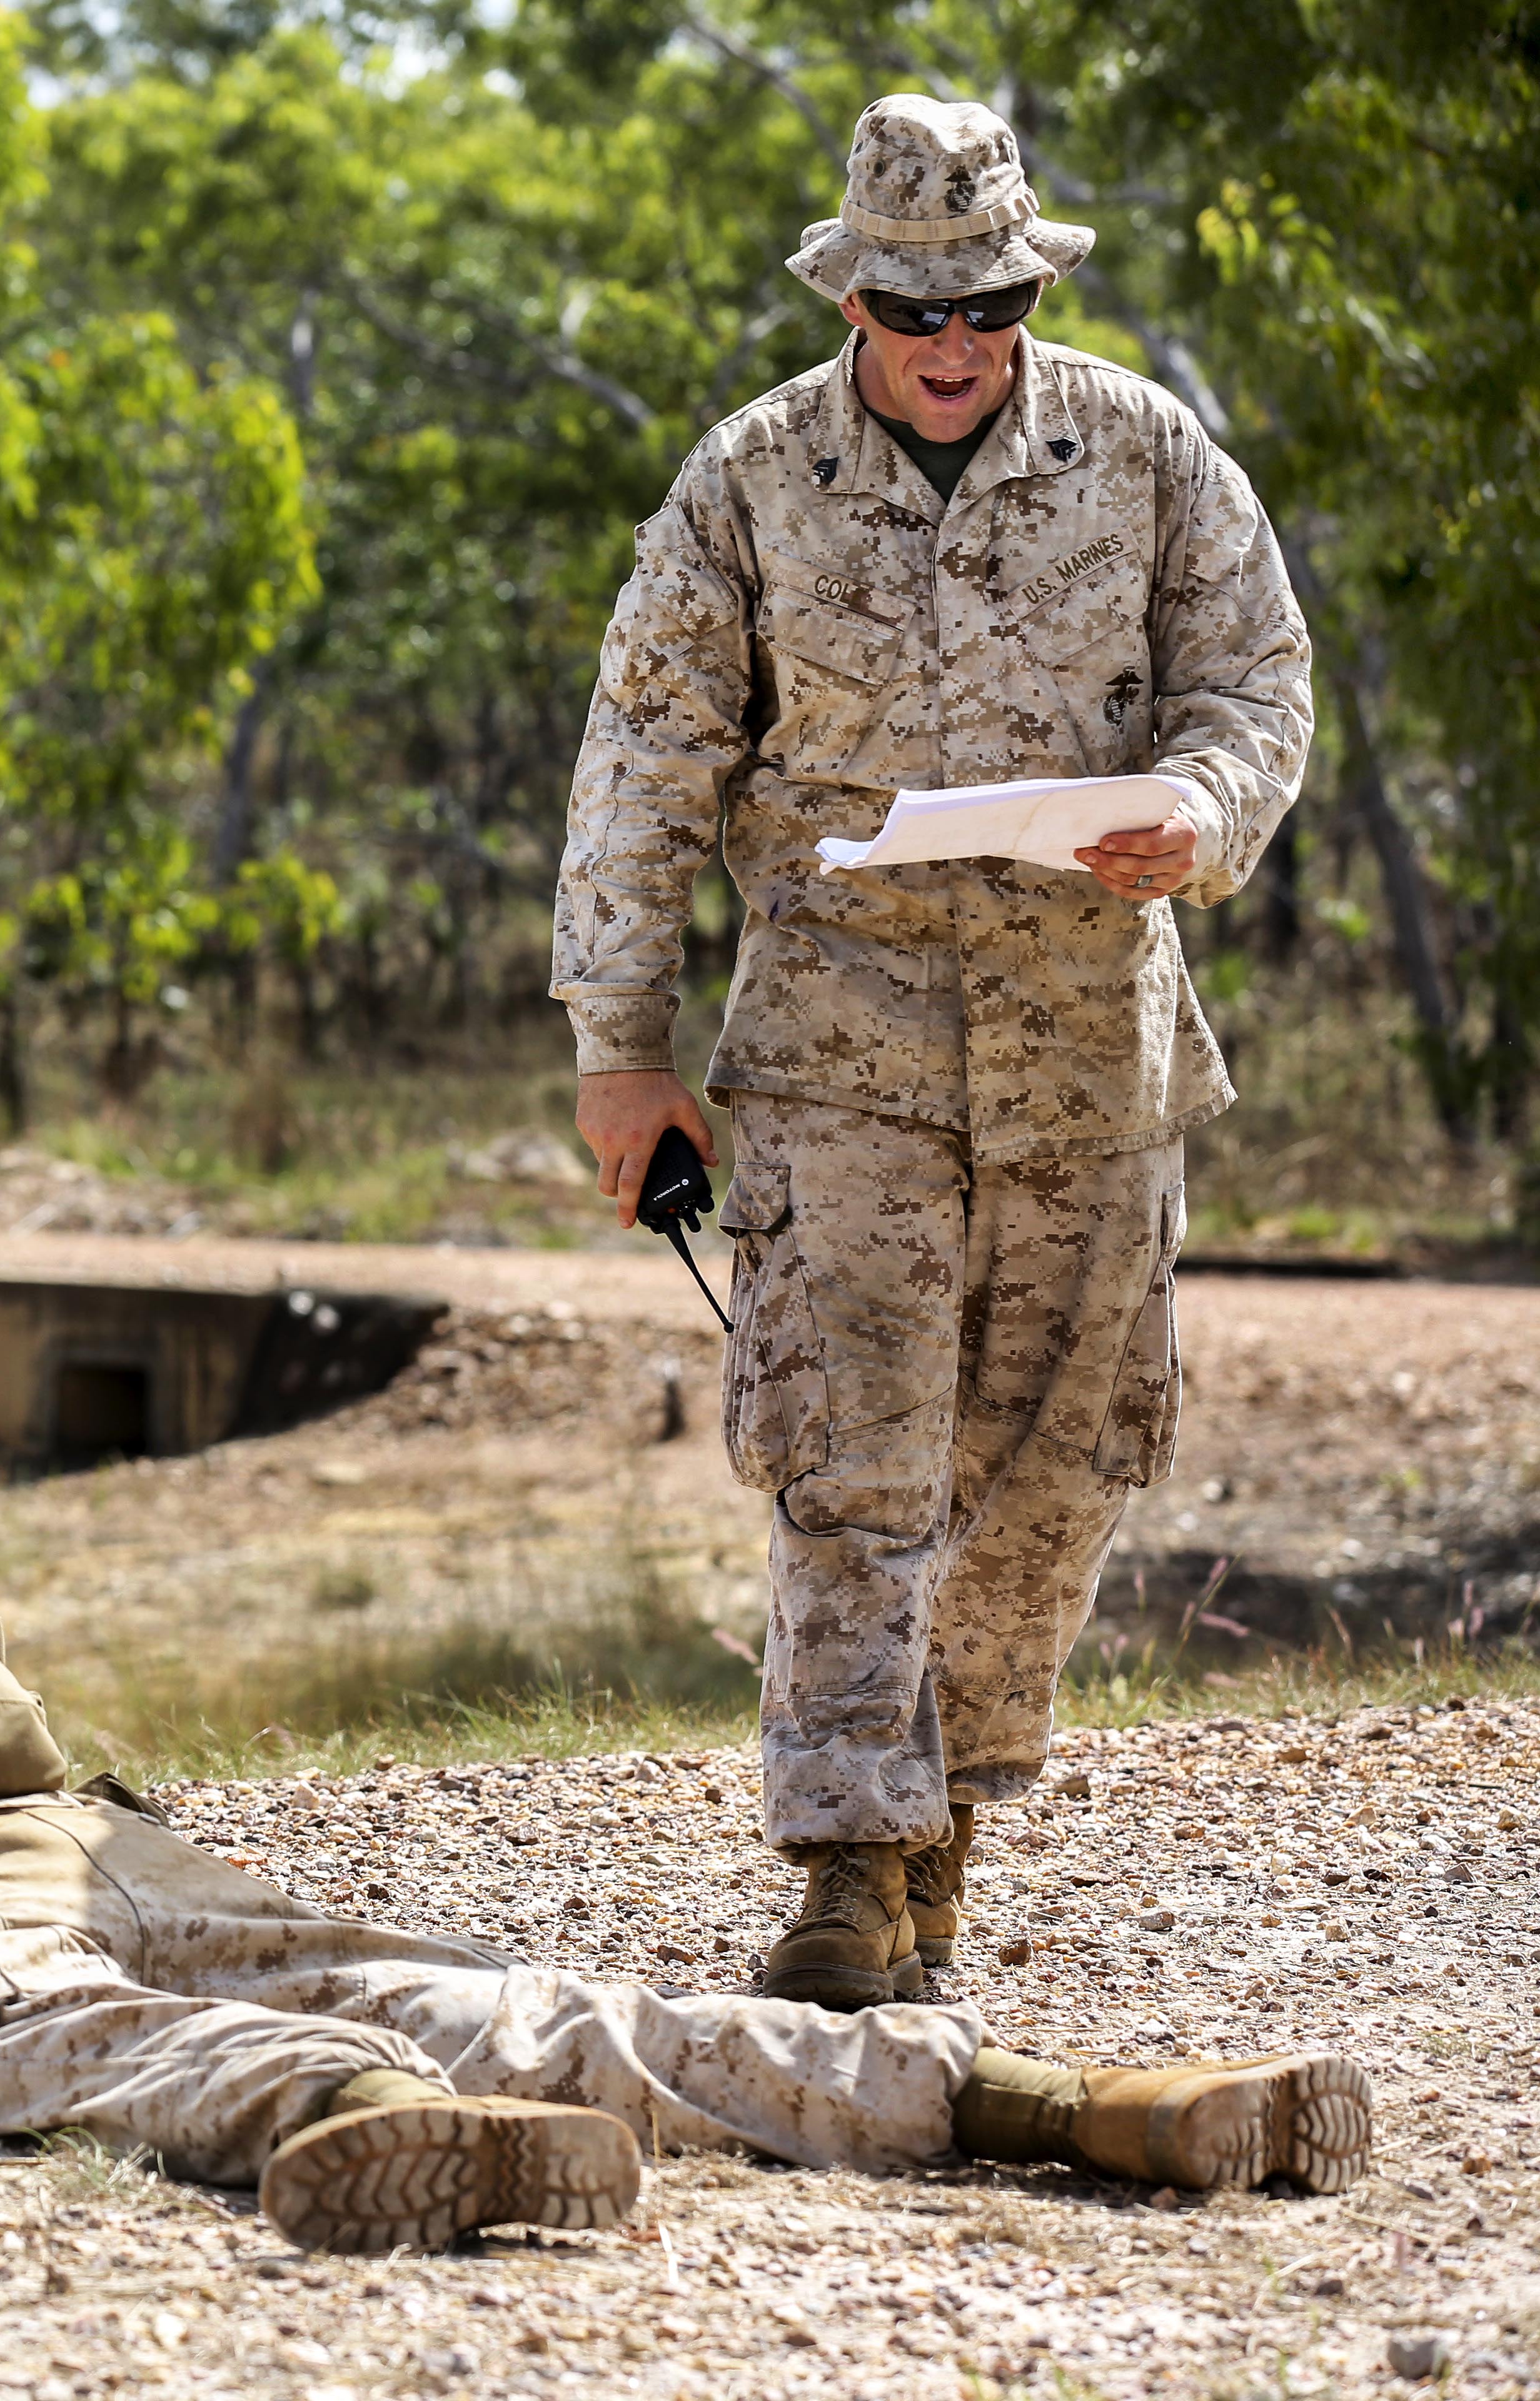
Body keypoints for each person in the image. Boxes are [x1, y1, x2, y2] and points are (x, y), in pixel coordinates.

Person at [0, 1316, 1370, 2255]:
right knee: (488, 1992)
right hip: (96, 1842)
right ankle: (1054, 2102)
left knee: (21, 2042)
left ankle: (358, 2124)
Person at [553, 95, 1314, 2005]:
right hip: (841, 1047)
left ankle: (951, 1820)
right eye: (917, 311)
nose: (956, 343)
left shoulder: (1147, 454)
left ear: (1027, 283)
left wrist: (1206, 815)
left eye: (987, 302)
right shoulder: (745, 485)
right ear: (853, 301)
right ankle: (841, 1862)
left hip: (1093, 1053)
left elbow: (1258, 684)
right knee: (853, 1455)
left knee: (1059, 1465)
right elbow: (644, 767)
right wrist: (618, 1044)